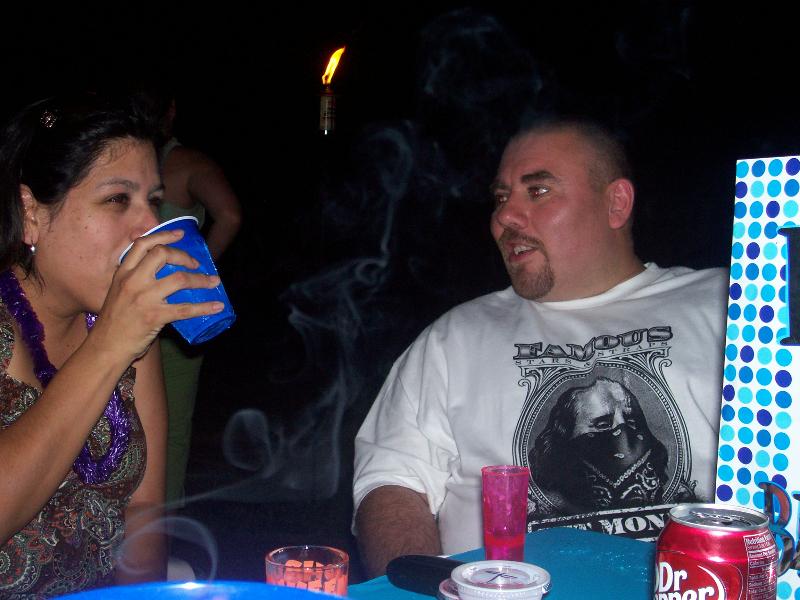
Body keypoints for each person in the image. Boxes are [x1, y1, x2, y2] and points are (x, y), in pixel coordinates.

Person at [352, 117, 728, 577]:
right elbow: (392, 483)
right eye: (501, 198)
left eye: (538, 191)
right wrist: (424, 590)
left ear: (615, 203)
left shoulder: (729, 304)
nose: (504, 217)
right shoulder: (455, 338)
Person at [0, 92, 224, 596]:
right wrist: (109, 345)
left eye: (153, 200)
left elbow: (145, 508)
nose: (150, 227)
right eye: (117, 199)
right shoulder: (118, 331)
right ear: (30, 212)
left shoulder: (131, 331)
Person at [145, 90, 241, 506]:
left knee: (145, 423)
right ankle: (156, 519)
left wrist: (199, 276)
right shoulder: (183, 162)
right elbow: (230, 215)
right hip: (166, 312)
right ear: (170, 109)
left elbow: (231, 216)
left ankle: (153, 523)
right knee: (168, 426)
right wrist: (198, 277)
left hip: (158, 311)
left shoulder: (158, 160)